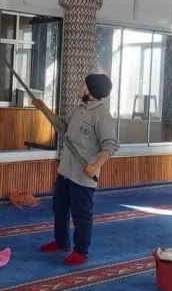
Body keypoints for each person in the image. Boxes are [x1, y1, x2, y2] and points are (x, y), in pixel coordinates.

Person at [33, 73, 119, 266]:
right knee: (59, 206)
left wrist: (95, 166)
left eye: (82, 84)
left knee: (81, 213)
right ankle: (61, 242)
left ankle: (81, 251)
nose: (79, 86)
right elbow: (61, 124)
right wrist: (43, 108)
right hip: (66, 170)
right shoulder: (80, 108)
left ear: (90, 90)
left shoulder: (102, 115)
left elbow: (110, 145)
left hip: (83, 174)